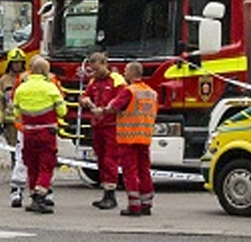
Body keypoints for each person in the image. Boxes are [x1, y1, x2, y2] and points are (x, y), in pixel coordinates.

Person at [13, 54, 66, 214]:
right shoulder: (51, 87)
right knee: (46, 165)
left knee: (31, 165)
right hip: (46, 132)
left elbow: (16, 112)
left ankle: (32, 194)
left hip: (28, 132)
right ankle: (41, 195)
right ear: (45, 71)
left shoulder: (21, 88)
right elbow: (62, 111)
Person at [78, 51, 128, 210]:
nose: (94, 72)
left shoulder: (116, 80)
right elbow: (85, 96)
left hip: (112, 126)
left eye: (97, 69)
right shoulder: (94, 81)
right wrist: (84, 100)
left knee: (110, 160)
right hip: (98, 125)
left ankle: (110, 194)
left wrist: (105, 111)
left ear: (104, 64)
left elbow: (122, 101)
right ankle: (106, 191)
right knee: (101, 159)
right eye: (92, 69)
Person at [115, 62, 159, 218]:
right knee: (144, 171)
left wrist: (99, 109)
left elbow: (114, 107)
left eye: (125, 70)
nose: (124, 73)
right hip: (144, 138)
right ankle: (146, 204)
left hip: (128, 139)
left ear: (132, 73)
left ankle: (134, 206)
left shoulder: (128, 91)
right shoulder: (151, 93)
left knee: (130, 172)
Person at [0, 48, 28, 208]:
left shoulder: (27, 78)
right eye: (14, 63)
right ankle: (17, 176)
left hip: (25, 119)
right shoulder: (4, 80)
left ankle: (23, 176)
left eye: (20, 62)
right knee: (14, 150)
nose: (17, 65)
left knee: (25, 151)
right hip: (9, 120)